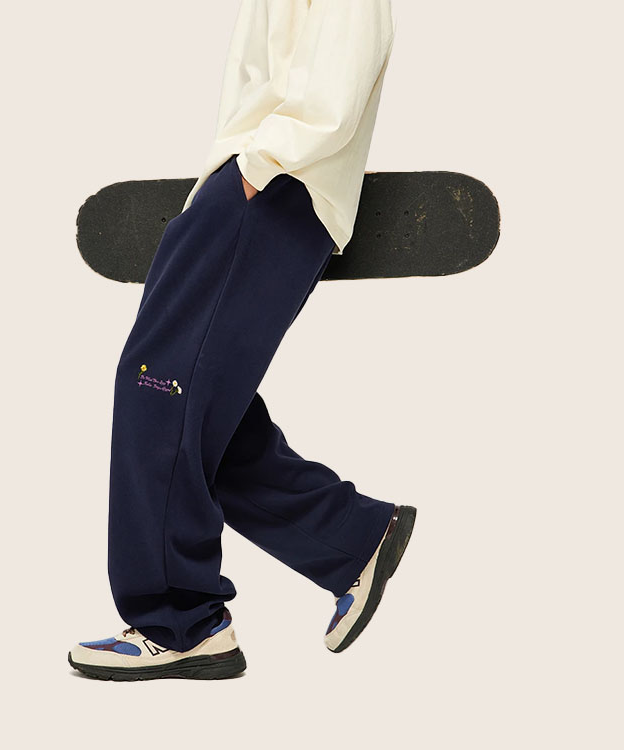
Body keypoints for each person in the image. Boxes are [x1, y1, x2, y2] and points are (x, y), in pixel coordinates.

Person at [68, 0, 416, 682]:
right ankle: (351, 537)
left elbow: (334, 85)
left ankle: (179, 621)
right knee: (197, 409)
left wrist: (258, 169)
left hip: (276, 187)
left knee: (159, 390)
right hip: (248, 185)